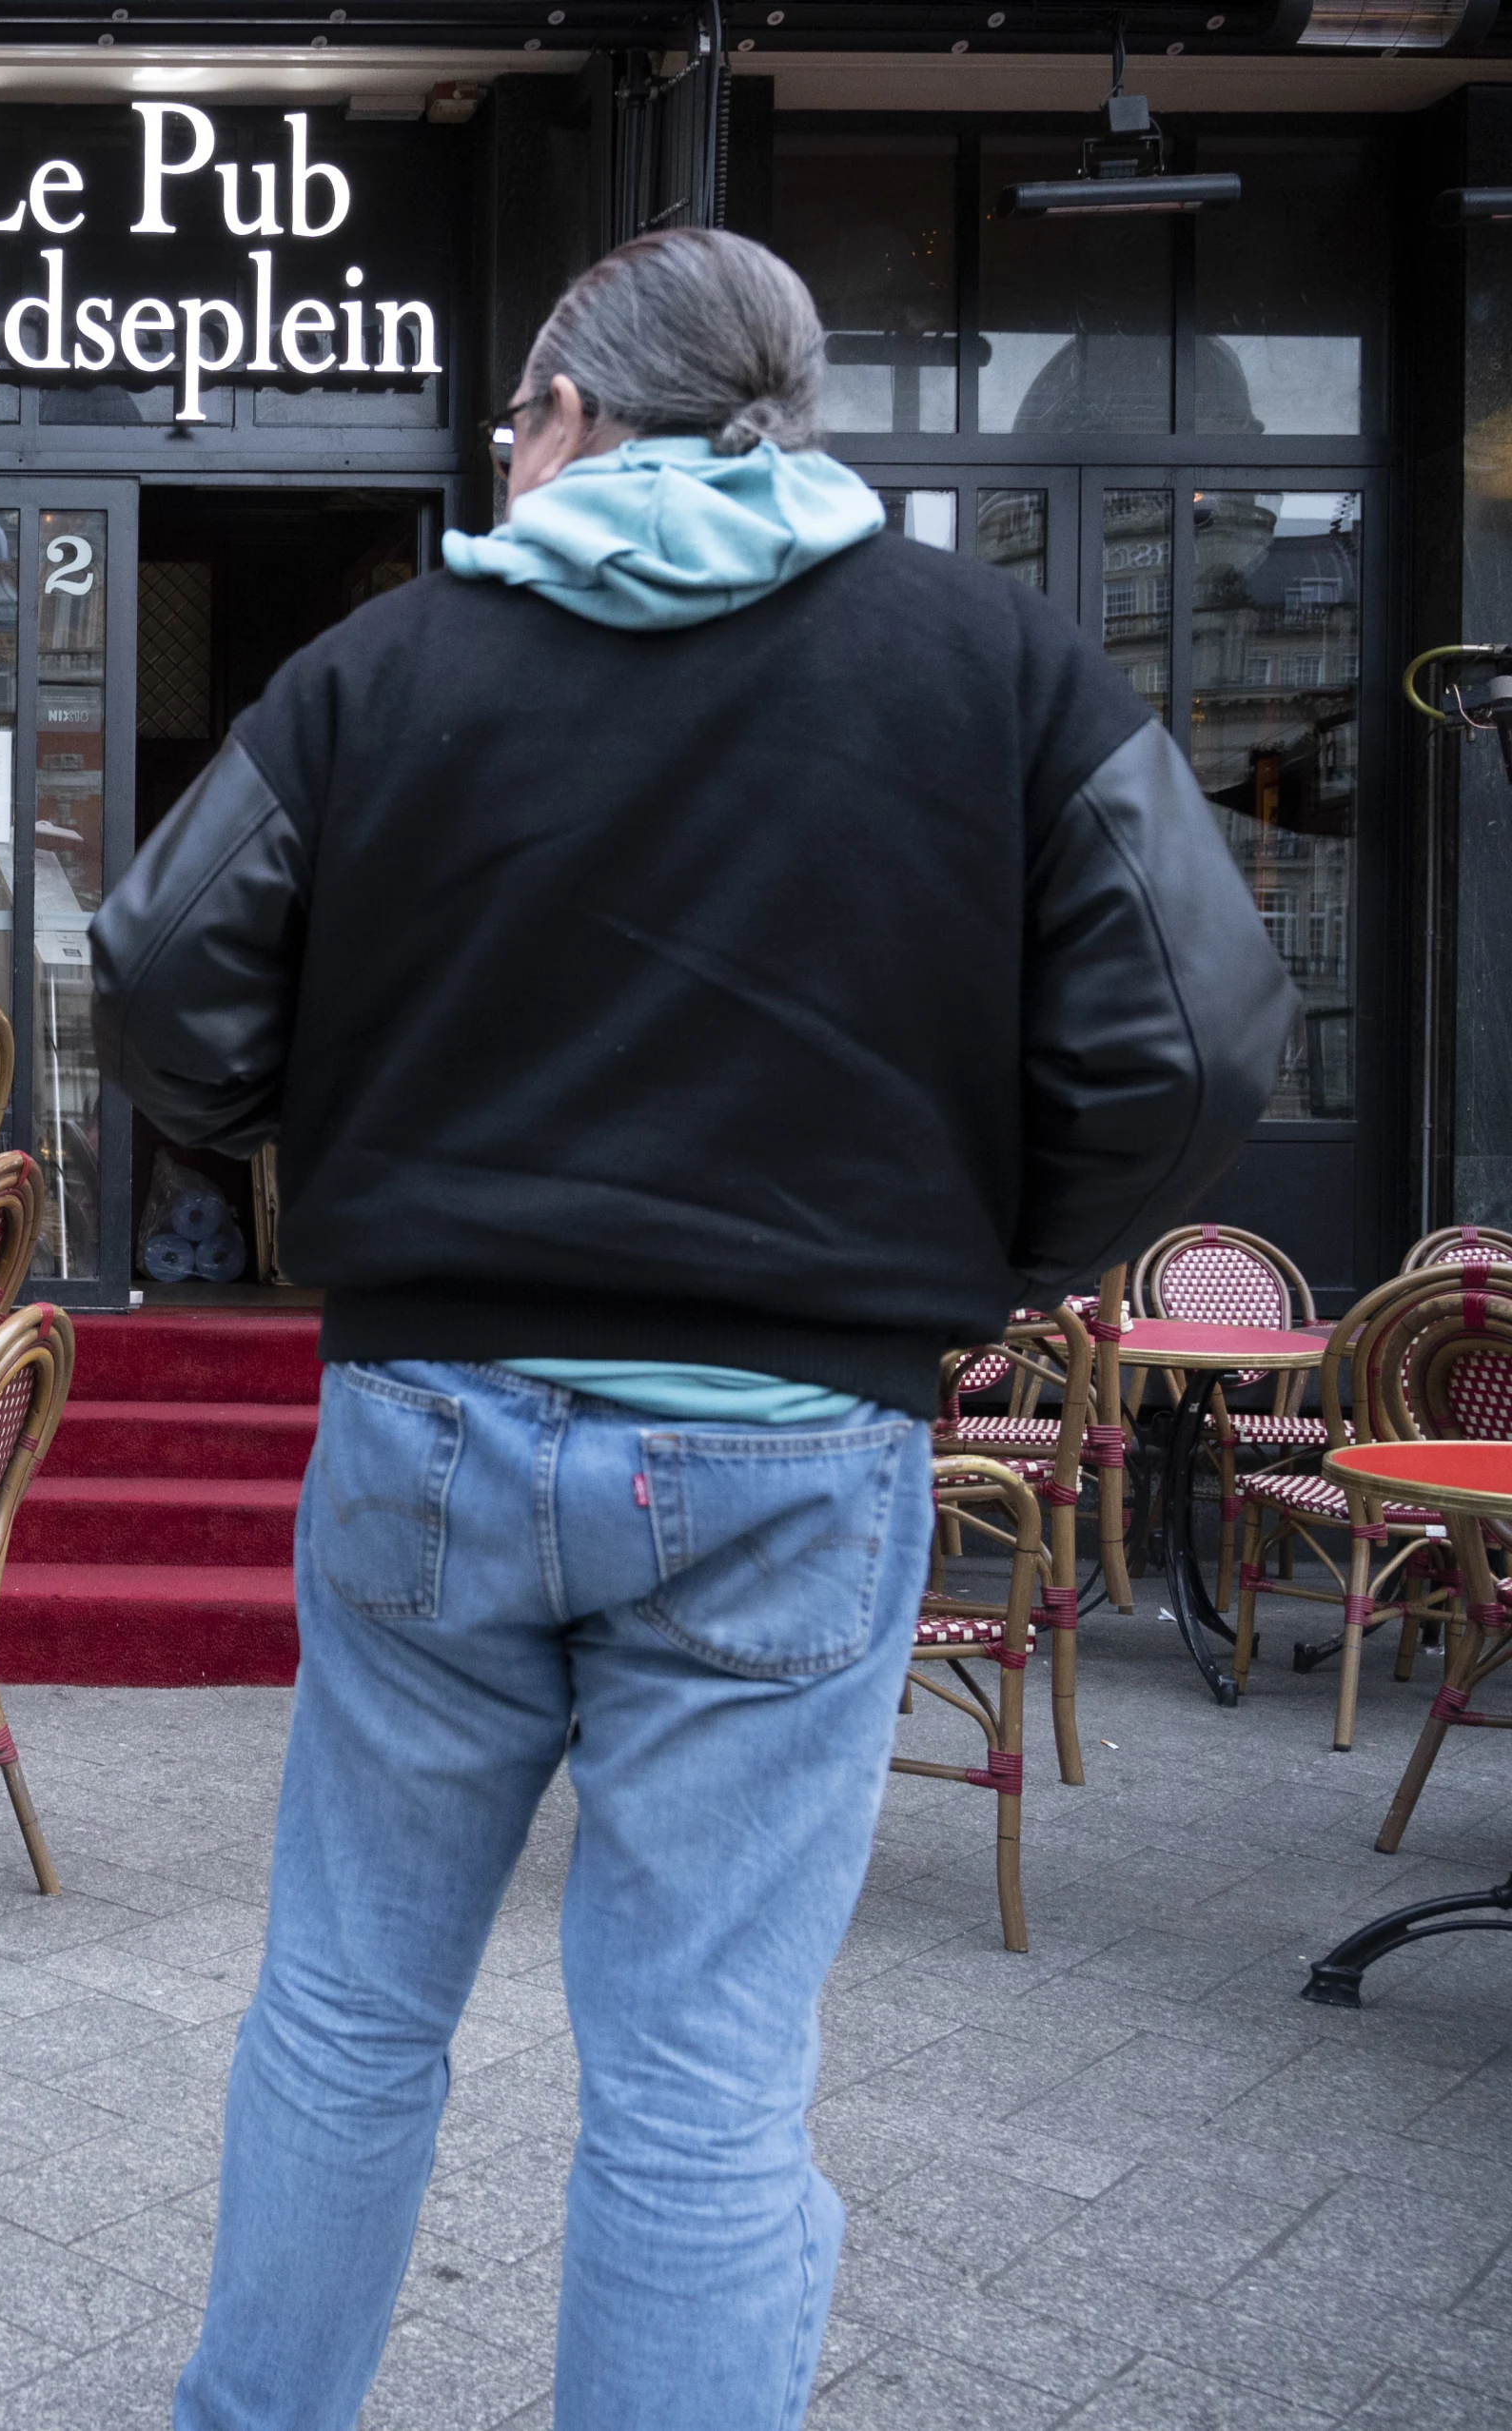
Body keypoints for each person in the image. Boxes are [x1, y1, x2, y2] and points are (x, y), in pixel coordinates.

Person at [94, 229, 1291, 2431]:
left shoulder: (383, 669)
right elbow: (1200, 1048)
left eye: (509, 421)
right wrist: (963, 1259)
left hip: (433, 1417)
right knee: (701, 2085)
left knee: (348, 2006)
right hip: (788, 1447)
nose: (496, 461)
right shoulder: (1001, 668)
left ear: (566, 410)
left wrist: (308, 1131)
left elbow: (165, 974)